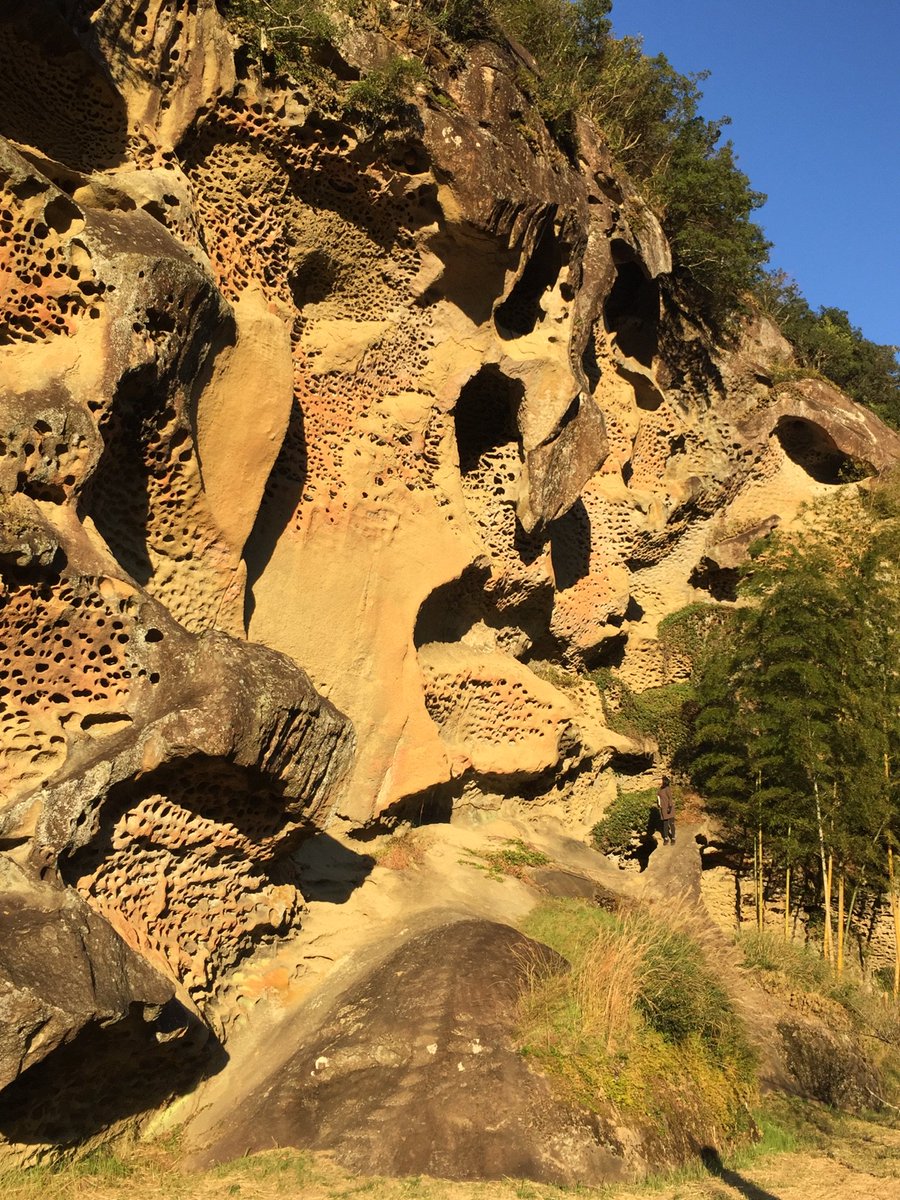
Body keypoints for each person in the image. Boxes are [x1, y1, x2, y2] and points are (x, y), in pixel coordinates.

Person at [657, 776, 675, 845]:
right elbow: (658, 796)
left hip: (669, 808)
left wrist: (669, 807)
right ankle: (666, 838)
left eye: (661, 780)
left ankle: (673, 838)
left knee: (671, 824)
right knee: (665, 824)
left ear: (664, 781)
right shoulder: (660, 789)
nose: (660, 781)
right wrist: (659, 804)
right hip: (663, 808)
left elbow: (670, 798)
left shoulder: (667, 789)